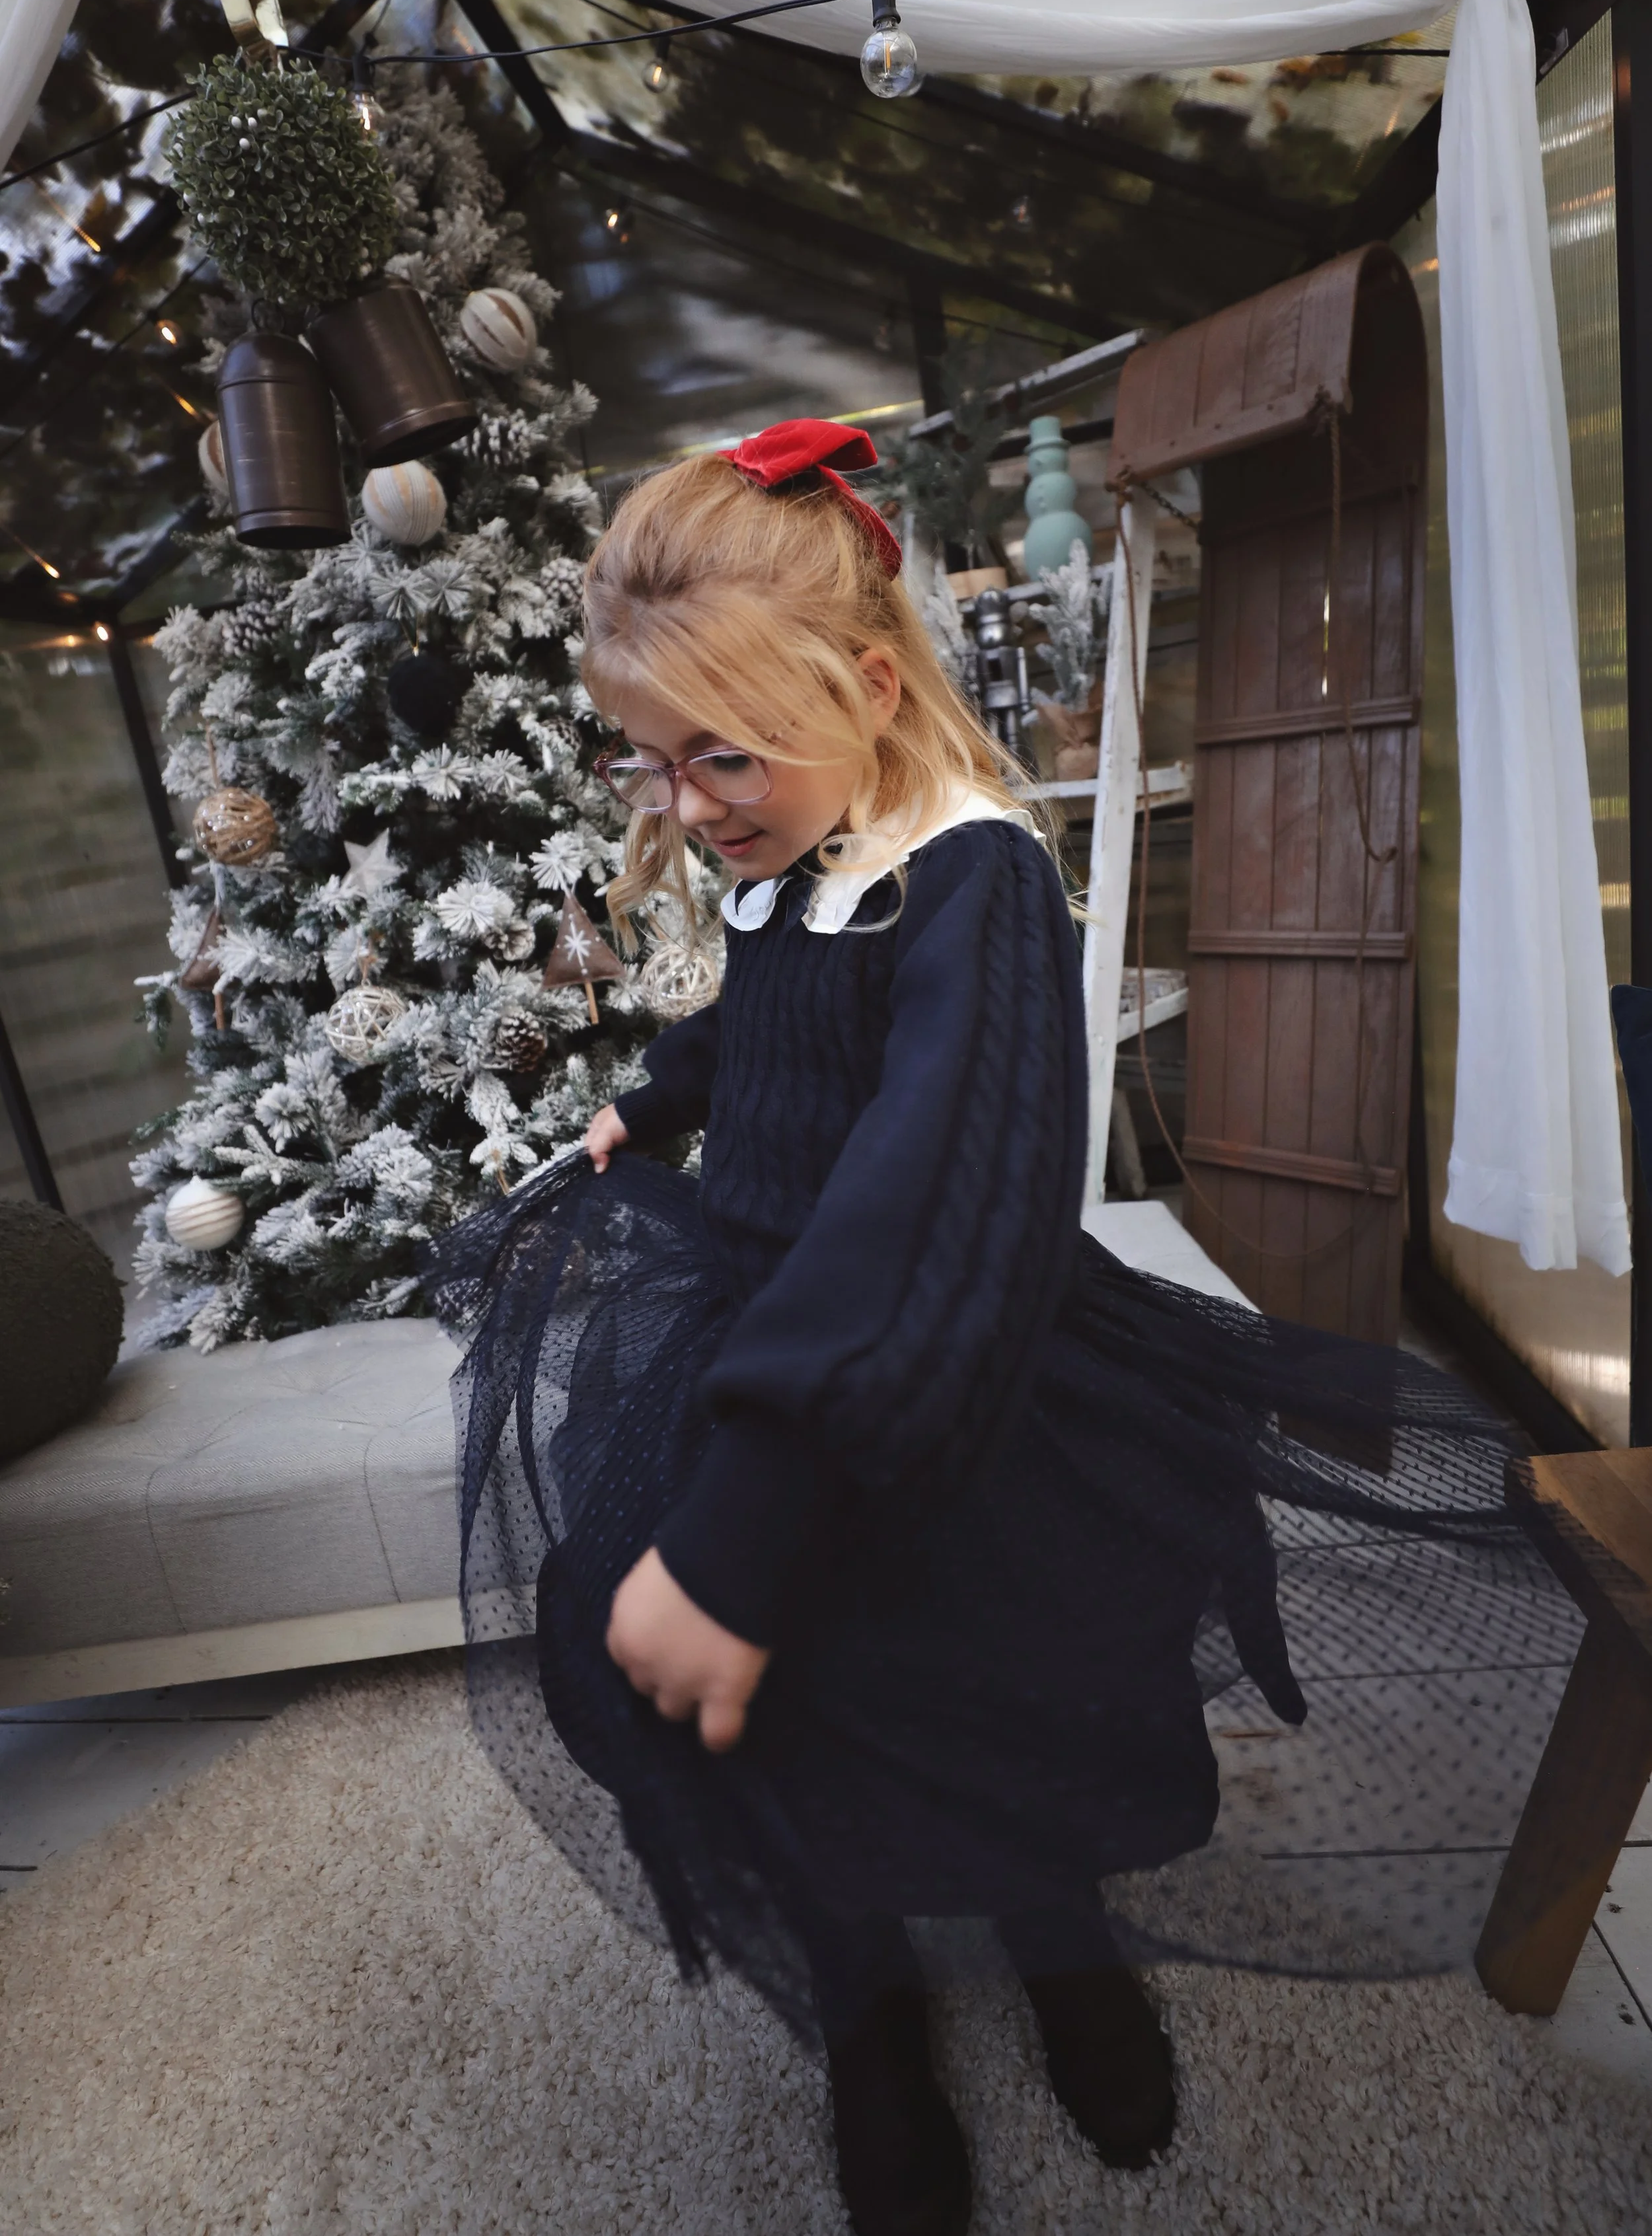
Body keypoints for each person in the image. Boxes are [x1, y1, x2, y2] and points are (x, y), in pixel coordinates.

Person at [428, 421, 1563, 2236]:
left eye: (718, 751)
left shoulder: (970, 880)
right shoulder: (777, 841)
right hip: (766, 1323)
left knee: (1001, 1678)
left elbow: (930, 1199)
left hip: (953, 1360)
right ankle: (864, 2019)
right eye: (647, 762)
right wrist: (655, 1099)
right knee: (798, 1736)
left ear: (870, 686)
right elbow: (765, 1012)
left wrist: (740, 1535)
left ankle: (1060, 1931)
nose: (682, 801)